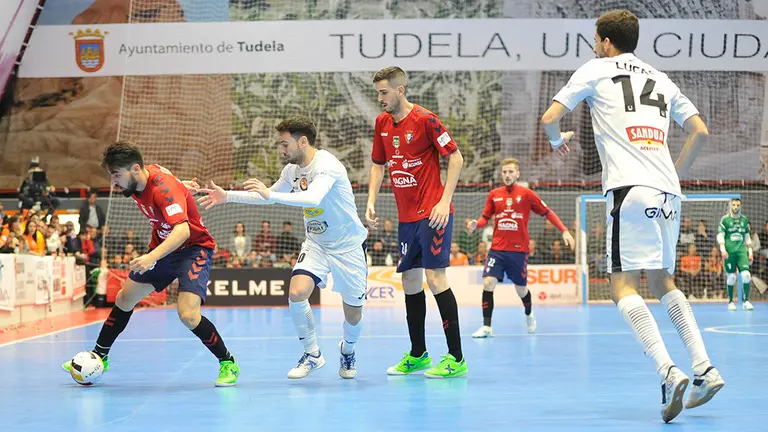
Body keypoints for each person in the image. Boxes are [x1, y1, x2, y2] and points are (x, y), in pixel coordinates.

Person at [539, 9, 723, 423]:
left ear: (606, 42)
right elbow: (700, 131)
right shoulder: (660, 77)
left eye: (595, 39)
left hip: (628, 187)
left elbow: (550, 118)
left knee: (621, 285)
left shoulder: (597, 69)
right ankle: (705, 368)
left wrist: (556, 141)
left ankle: (668, 370)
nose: (594, 45)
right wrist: (673, 176)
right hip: (668, 192)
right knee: (662, 280)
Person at [198, 116, 368, 379]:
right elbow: (267, 197)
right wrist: (227, 196)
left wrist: (271, 194)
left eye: (284, 143)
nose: (281, 149)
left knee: (353, 314)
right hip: (316, 243)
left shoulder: (327, 165)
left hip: (348, 246)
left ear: (302, 142)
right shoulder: (291, 171)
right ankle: (313, 354)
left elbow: (312, 197)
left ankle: (348, 350)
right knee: (297, 292)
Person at [62, 140, 240, 386]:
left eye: (116, 174)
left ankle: (227, 362)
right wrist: (182, 187)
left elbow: (183, 231)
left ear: (135, 169)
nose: (113, 182)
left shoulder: (161, 190)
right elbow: (167, 177)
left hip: (192, 248)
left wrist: (151, 257)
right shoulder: (144, 178)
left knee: (188, 315)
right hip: (164, 247)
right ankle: (100, 356)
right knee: (125, 298)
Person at [367, 66, 466, 378]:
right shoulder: (382, 123)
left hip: (433, 213)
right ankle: (418, 353)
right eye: (377, 92)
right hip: (406, 218)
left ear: (400, 89)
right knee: (410, 282)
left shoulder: (425, 119)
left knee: (436, 279)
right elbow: (377, 165)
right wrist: (370, 199)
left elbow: (456, 157)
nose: (380, 98)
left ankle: (456, 357)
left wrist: (444, 200)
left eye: (384, 92)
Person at [467, 157, 574, 338]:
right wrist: (475, 224)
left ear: (517, 173)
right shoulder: (494, 194)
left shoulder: (526, 194)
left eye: (510, 172)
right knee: (488, 283)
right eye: (504, 172)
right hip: (497, 249)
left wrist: (564, 230)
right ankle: (486, 327)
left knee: (521, 290)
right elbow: (485, 217)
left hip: (518, 250)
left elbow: (547, 212)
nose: (507, 175)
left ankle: (528, 313)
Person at [718, 198, 754, 311]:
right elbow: (720, 236)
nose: (735, 207)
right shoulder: (725, 220)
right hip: (729, 253)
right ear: (730, 206)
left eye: (738, 205)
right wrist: (723, 249)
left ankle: (746, 301)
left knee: (746, 275)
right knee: (732, 277)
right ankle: (730, 301)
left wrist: (750, 252)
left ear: (740, 206)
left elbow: (747, 237)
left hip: (741, 252)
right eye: (733, 205)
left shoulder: (744, 220)